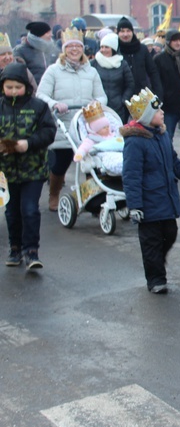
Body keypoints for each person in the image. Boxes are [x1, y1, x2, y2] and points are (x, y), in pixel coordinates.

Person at [121, 89, 180, 294]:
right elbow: (131, 175)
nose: (162, 113)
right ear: (148, 116)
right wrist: (134, 206)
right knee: (151, 241)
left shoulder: (162, 135)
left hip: (165, 198)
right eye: (158, 111)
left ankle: (157, 262)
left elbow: (174, 162)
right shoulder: (135, 141)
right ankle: (156, 279)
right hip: (148, 201)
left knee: (171, 232)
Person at [36, 28, 107, 211]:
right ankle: (54, 194)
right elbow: (41, 95)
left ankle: (92, 199)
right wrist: (55, 104)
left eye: (78, 46)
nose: (74, 50)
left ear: (83, 49)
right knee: (60, 164)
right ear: (64, 49)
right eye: (70, 46)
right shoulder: (53, 71)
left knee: (91, 163)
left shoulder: (90, 72)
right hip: (63, 125)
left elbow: (102, 97)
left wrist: (94, 103)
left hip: (86, 125)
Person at [0, 62, 56, 269]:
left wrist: (28, 143)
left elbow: (49, 132)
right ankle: (15, 248)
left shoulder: (38, 107)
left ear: (26, 86)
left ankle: (31, 251)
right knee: (11, 211)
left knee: (30, 209)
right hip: (5, 171)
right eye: (9, 87)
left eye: (18, 87)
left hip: (32, 168)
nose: (13, 91)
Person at [90, 32, 135, 124]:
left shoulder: (122, 64)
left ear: (113, 49)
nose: (103, 50)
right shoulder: (93, 63)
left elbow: (130, 84)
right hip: (98, 108)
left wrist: (123, 100)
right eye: (102, 47)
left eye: (107, 47)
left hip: (118, 108)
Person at [116, 17, 163, 98]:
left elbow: (153, 72)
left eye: (128, 31)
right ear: (118, 33)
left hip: (142, 95)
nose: (125, 34)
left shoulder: (142, 49)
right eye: (122, 31)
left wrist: (158, 93)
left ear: (132, 32)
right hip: (121, 96)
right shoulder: (115, 49)